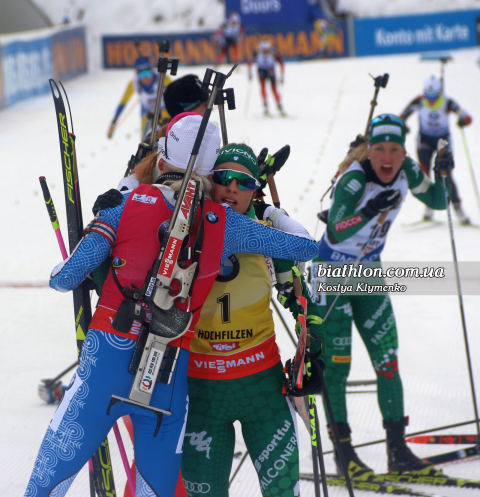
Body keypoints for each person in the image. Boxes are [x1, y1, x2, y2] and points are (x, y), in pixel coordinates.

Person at [25, 115, 321, 497]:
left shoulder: (123, 207)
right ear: (210, 174)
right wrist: (269, 213)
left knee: (43, 487)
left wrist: (110, 211)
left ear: (161, 162)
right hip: (167, 381)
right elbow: (306, 248)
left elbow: (64, 279)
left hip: (103, 370)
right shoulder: (223, 221)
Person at [309, 114, 454, 478]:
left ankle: (397, 451)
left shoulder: (407, 168)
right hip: (331, 275)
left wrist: (443, 173)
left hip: (369, 272)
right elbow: (337, 232)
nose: (387, 158)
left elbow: (438, 200)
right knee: (337, 369)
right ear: (368, 149)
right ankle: (344, 455)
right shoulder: (355, 179)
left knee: (388, 360)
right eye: (379, 149)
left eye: (394, 149)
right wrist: (369, 211)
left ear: (404, 150)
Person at [180, 144, 326, 497]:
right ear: (207, 182)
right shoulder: (184, 231)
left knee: (282, 489)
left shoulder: (266, 237)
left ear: (254, 191)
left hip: (261, 387)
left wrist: (312, 348)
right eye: (222, 177)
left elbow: (301, 299)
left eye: (243, 182)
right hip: (202, 391)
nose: (231, 187)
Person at [400, 75, 472, 224]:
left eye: (434, 95)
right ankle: (429, 206)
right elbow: (401, 116)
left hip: (442, 141)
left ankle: (458, 208)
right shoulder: (419, 101)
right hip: (425, 140)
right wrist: (403, 125)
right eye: (428, 95)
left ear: (440, 92)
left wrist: (462, 120)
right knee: (425, 174)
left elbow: (467, 117)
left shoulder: (447, 102)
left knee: (446, 175)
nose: (431, 99)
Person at [107, 54, 171, 140]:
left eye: (148, 73)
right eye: (142, 75)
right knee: (145, 141)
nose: (146, 78)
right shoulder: (134, 83)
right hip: (147, 113)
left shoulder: (162, 78)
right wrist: (113, 122)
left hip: (165, 110)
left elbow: (176, 92)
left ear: (152, 71)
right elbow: (123, 102)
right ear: (137, 75)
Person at [247, 40, 286, 117]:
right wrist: (249, 73)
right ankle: (265, 107)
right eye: (263, 49)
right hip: (261, 71)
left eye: (266, 49)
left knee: (274, 89)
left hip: (271, 71)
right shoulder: (257, 52)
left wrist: (282, 76)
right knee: (263, 88)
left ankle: (279, 106)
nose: (265, 51)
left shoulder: (274, 53)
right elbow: (249, 62)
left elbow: (281, 64)